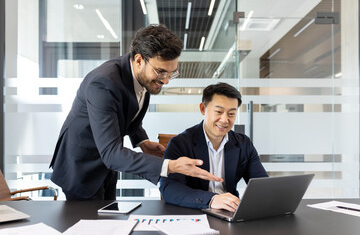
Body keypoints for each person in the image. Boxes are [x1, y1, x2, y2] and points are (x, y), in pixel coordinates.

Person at [49, 24, 222, 201]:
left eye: (172, 73)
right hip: (81, 167)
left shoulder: (142, 77)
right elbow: (111, 153)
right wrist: (169, 166)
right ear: (139, 60)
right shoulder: (103, 83)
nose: (166, 81)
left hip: (106, 167)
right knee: (94, 227)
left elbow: (127, 112)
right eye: (161, 72)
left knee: (110, 219)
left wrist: (142, 141)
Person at [159, 83, 268, 212]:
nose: (224, 120)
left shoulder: (243, 144)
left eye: (231, 114)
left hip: (229, 212)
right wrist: (211, 199)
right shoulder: (180, 143)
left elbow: (262, 185)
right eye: (219, 112)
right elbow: (169, 189)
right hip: (193, 210)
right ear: (203, 109)